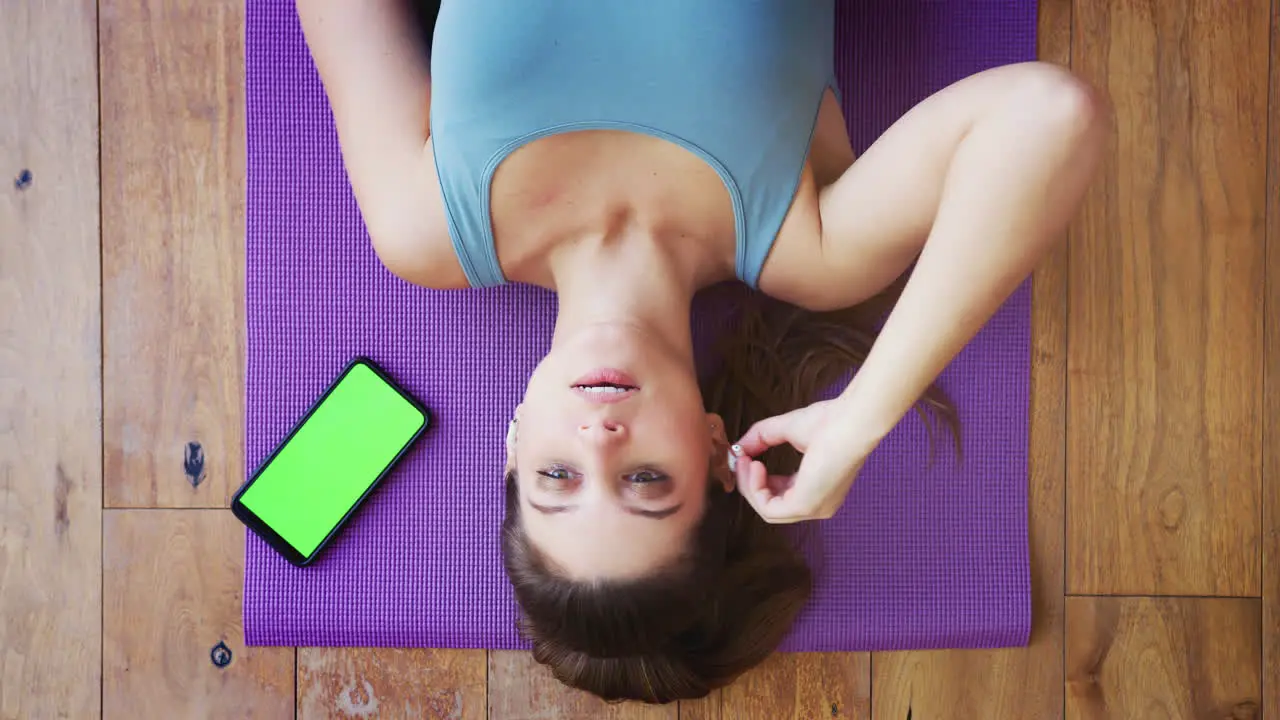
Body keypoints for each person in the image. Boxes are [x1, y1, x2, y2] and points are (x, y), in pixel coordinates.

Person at [298, 0, 1107, 704]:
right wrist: (862, 417)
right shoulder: (811, 247)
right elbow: (1049, 115)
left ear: (512, 448)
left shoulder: (425, 231)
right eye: (645, 482)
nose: (600, 440)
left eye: (558, 479)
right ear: (721, 452)